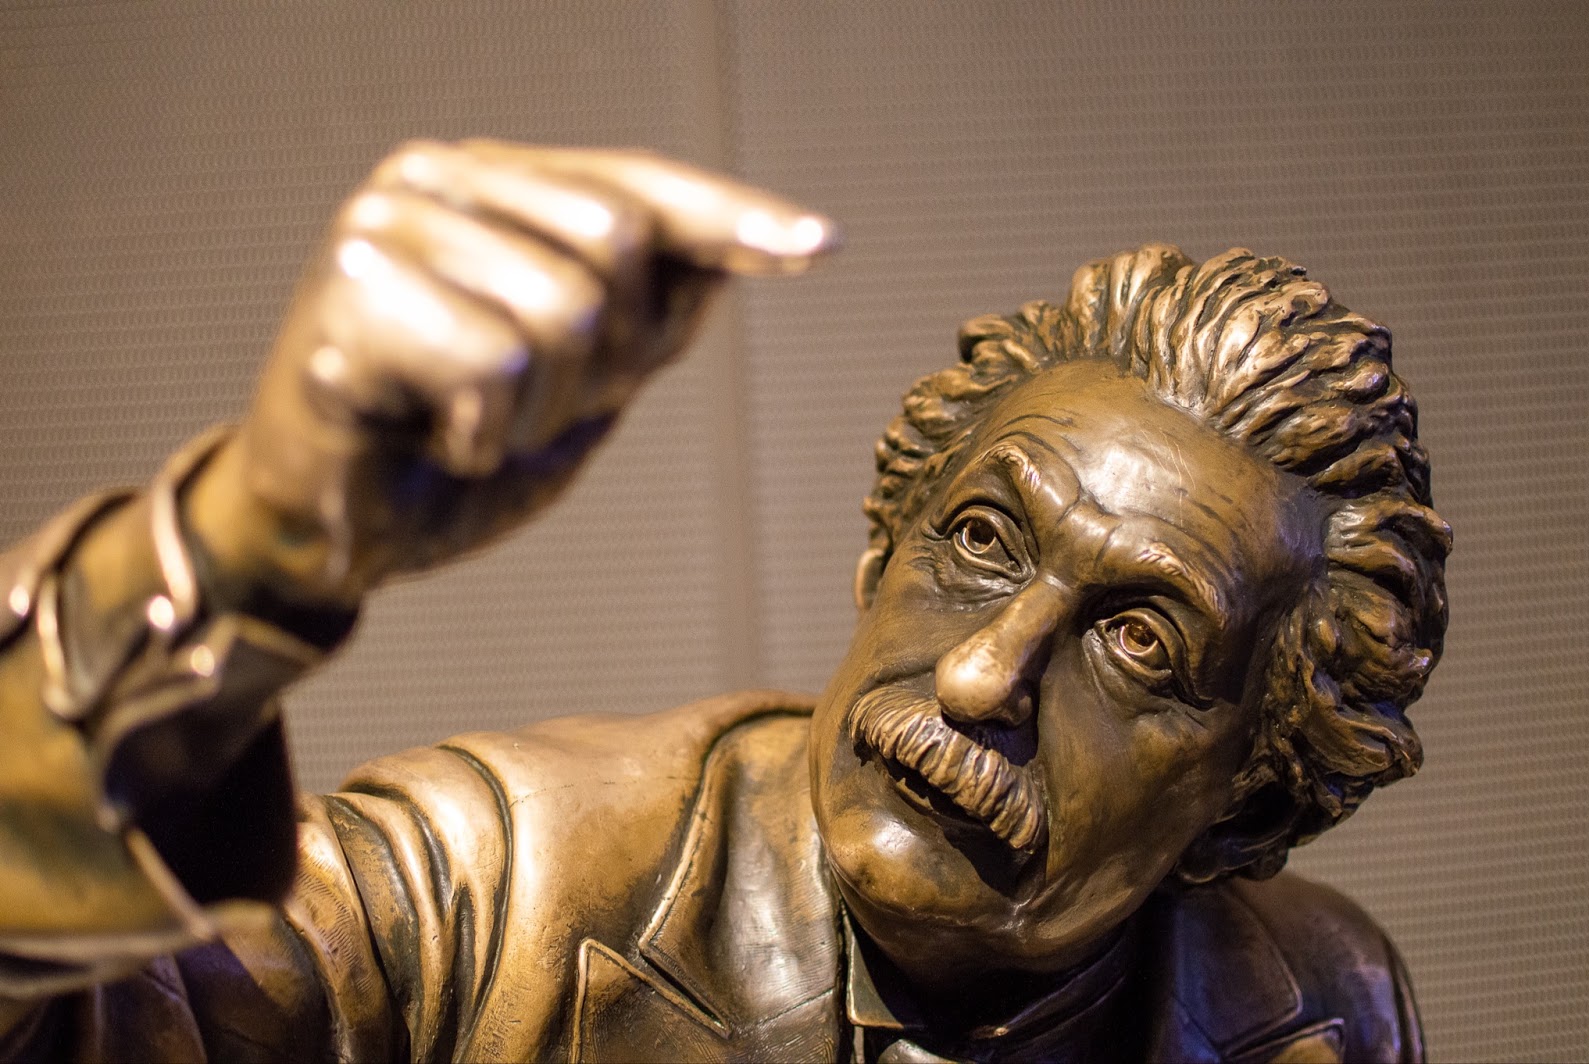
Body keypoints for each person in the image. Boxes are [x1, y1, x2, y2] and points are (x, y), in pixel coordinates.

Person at [0, 141, 1449, 1062]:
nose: (981, 680)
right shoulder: (480, 892)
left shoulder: (1324, 1005)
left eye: (1140, 642)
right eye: (986, 542)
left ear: (1252, 805)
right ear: (880, 556)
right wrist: (241, 543)